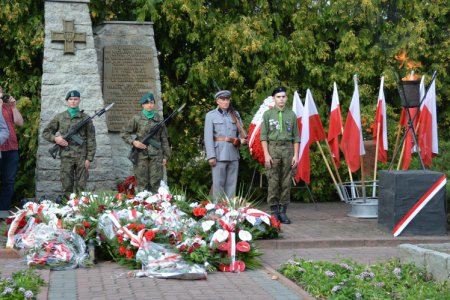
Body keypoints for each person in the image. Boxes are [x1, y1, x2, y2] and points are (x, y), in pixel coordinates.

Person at [42, 90, 96, 196]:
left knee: (82, 186)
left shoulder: (85, 118)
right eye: (71, 99)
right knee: (66, 186)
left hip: (81, 156)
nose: (73, 102)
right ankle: (66, 209)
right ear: (67, 101)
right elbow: (46, 132)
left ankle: (81, 208)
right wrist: (56, 139)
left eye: (76, 99)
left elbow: (91, 139)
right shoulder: (60, 117)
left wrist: (89, 158)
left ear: (79, 100)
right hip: (66, 156)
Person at [260, 86, 300, 224]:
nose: (281, 99)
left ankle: (283, 212)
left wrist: (296, 155)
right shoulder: (268, 114)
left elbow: (296, 137)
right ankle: (273, 212)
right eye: (278, 96)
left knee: (286, 182)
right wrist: (266, 154)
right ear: (274, 99)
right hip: (273, 149)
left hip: (288, 150)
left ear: (286, 98)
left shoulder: (292, 115)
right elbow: (263, 137)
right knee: (273, 181)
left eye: (283, 96)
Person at [121, 92, 170, 193]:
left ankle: (156, 206)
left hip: (156, 156)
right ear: (143, 104)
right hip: (140, 155)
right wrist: (134, 142)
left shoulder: (159, 119)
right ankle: (142, 205)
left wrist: (166, 156)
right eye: (147, 103)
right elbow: (124, 133)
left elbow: (164, 138)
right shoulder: (137, 118)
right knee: (142, 183)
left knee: (155, 183)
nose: (149, 105)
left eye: (151, 102)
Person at [204, 90, 247, 200]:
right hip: (218, 154)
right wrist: (211, 155)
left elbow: (241, 132)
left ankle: (230, 211)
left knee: (231, 184)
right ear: (217, 101)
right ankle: (217, 211)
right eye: (223, 99)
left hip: (233, 153)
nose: (226, 101)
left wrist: (242, 139)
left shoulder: (235, 114)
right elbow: (208, 137)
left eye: (227, 99)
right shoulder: (211, 116)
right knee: (218, 184)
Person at [0, 85, 22, 219]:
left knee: (9, 181)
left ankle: (3, 212)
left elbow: (20, 122)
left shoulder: (8, 107)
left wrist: (13, 106)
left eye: (0, 91)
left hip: (11, 148)